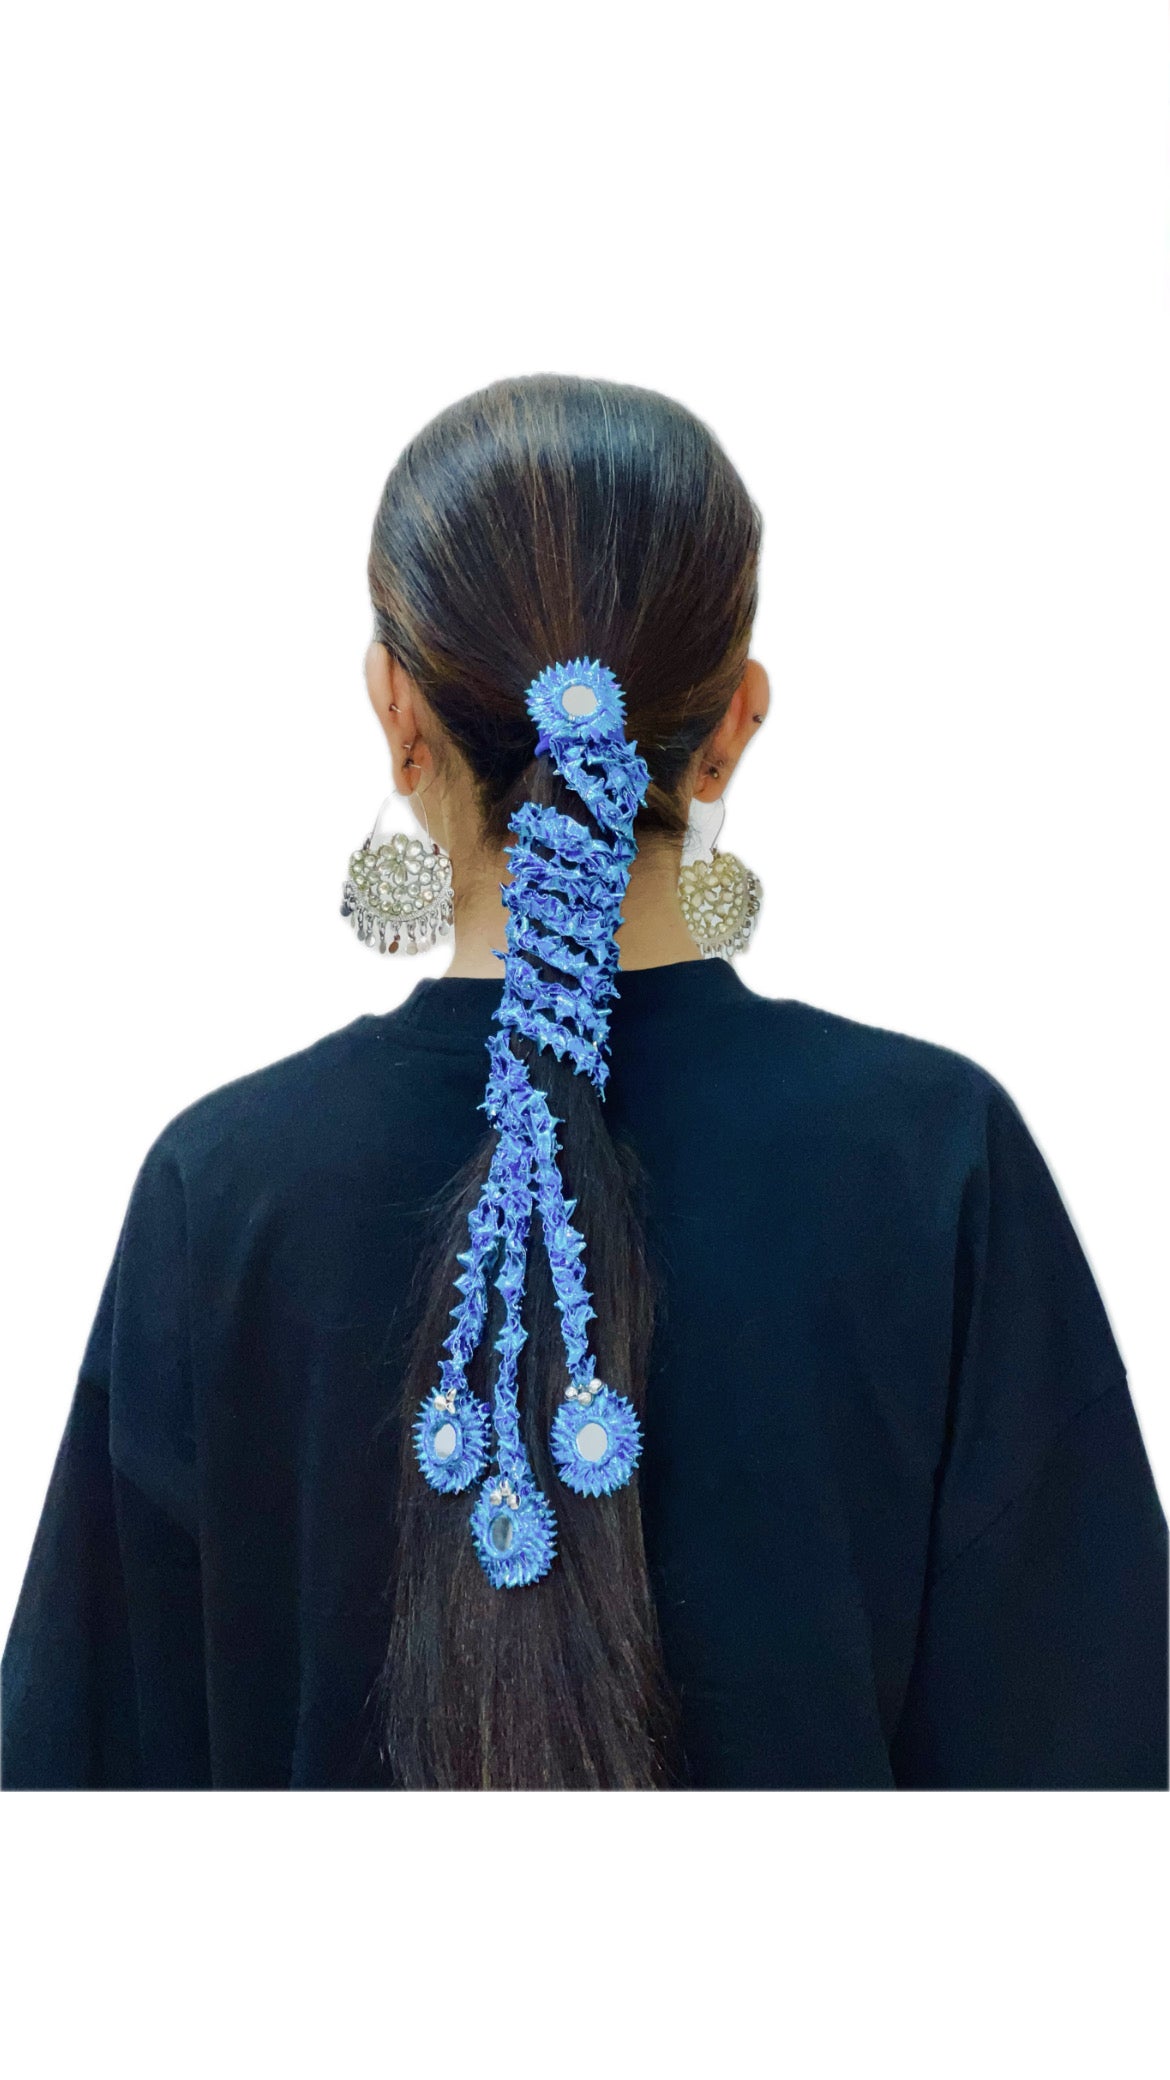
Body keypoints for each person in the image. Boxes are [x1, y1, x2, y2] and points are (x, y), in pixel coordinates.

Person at [2, 375, 1165, 1791]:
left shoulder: (224, 1190)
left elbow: (71, 1799)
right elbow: (1092, 1767)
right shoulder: (936, 1161)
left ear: (394, 708)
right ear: (733, 720)